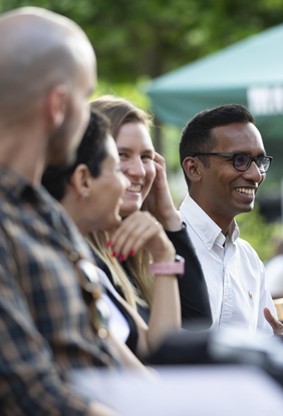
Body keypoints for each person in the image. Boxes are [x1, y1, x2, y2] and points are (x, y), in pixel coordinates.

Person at [0, 7, 124, 415]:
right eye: (85, 95)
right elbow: (26, 396)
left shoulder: (37, 206)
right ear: (58, 104)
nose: (88, 114)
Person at [42, 109, 182, 358]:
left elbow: (159, 349)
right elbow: (157, 369)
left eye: (147, 157)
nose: (132, 178)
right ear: (84, 180)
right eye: (119, 165)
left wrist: (165, 256)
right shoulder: (63, 265)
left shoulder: (85, 266)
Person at [90, 95, 212, 331]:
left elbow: (197, 323)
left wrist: (168, 215)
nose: (138, 171)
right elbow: (161, 348)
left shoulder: (140, 251)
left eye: (146, 157)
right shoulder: (83, 255)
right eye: (122, 155)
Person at [178, 103, 282, 335]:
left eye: (259, 162)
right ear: (194, 169)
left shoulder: (249, 261)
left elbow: (265, 344)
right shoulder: (161, 246)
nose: (256, 174)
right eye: (239, 160)